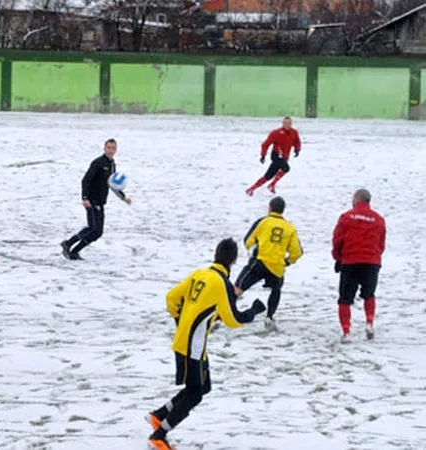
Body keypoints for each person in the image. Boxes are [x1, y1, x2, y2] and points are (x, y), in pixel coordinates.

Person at [147, 238, 266, 450]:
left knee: (203, 386)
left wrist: (180, 320)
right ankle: (159, 435)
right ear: (234, 260)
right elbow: (233, 319)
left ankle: (159, 415)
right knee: (195, 393)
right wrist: (253, 312)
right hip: (193, 346)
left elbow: (171, 298)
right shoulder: (223, 284)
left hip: (187, 341)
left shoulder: (200, 274)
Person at [234, 196, 302, 331]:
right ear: (283, 210)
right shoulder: (290, 228)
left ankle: (221, 316)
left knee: (239, 287)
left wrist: (254, 251)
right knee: (276, 290)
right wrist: (287, 262)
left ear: (270, 207)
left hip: (259, 261)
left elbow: (248, 241)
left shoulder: (263, 222)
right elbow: (297, 252)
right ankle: (269, 317)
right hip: (276, 266)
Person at [60, 138, 131, 260]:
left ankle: (74, 251)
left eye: (113, 148)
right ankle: (68, 243)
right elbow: (85, 180)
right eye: (108, 147)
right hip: (91, 200)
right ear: (104, 148)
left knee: (98, 232)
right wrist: (85, 198)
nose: (110, 150)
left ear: (116, 150)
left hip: (101, 201)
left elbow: (112, 183)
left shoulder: (112, 164)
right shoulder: (98, 163)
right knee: (93, 228)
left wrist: (123, 198)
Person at [332, 189, 386, 343]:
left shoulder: (346, 217)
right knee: (369, 294)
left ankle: (346, 332)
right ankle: (369, 323)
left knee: (345, 299)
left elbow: (337, 239)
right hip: (372, 261)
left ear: (356, 199)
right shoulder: (379, 219)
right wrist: (375, 256)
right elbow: (381, 243)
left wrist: (337, 257)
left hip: (350, 261)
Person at [246, 117, 301, 196]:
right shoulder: (276, 133)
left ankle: (251, 189)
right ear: (282, 123)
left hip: (284, 157)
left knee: (268, 176)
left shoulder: (294, 132)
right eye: (285, 123)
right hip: (276, 155)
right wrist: (263, 155)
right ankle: (272, 185)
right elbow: (265, 144)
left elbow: (297, 142)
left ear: (291, 124)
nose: (287, 125)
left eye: (289, 123)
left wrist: (297, 149)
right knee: (286, 168)